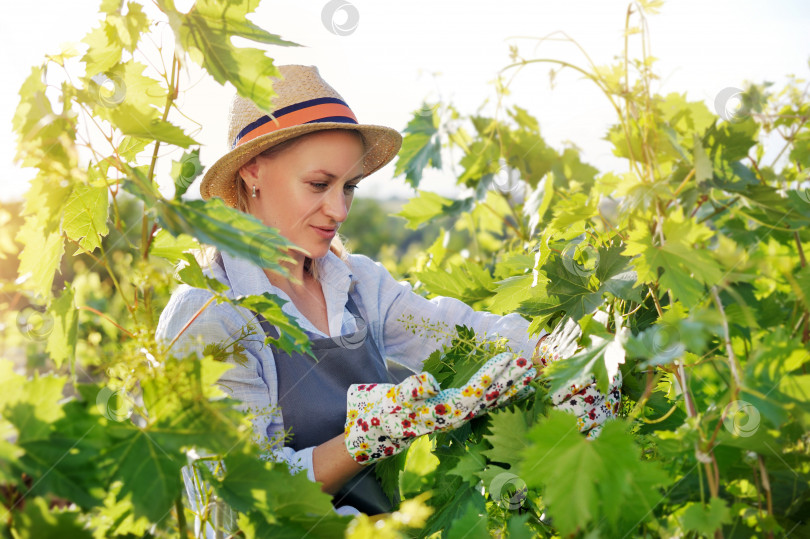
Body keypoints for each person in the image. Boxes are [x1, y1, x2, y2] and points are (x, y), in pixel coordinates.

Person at [155, 65, 620, 528]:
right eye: (319, 184)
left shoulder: (358, 285)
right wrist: (365, 440)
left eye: (349, 187)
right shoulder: (210, 313)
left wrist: (567, 355)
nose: (339, 210)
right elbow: (232, 498)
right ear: (254, 172)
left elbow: (459, 335)